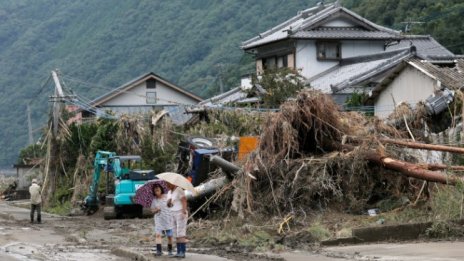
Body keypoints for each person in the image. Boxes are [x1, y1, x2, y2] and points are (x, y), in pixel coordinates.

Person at [150, 183, 174, 256]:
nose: (157, 190)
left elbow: (172, 205)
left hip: (168, 218)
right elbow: (152, 211)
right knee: (158, 235)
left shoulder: (167, 197)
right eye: (155, 190)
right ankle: (159, 251)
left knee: (169, 236)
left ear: (161, 189)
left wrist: (170, 203)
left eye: (158, 189)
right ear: (154, 192)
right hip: (159, 220)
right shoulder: (154, 200)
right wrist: (156, 210)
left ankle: (170, 251)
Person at [166, 182, 188, 258]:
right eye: (166, 183)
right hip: (172, 213)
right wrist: (169, 203)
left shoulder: (179, 189)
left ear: (173, 183)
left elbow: (184, 200)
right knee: (175, 232)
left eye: (168, 183)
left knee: (180, 232)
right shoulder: (169, 192)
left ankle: (182, 251)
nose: (167, 185)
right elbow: (169, 205)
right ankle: (178, 251)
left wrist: (184, 211)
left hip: (180, 212)